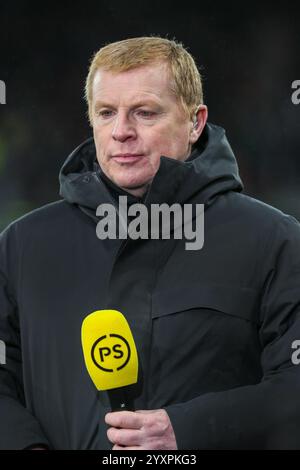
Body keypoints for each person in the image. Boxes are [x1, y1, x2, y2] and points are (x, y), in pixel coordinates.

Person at [0, 36, 300, 451]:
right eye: (106, 113)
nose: (121, 132)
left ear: (195, 122)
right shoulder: (22, 246)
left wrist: (189, 429)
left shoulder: (274, 240)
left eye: (144, 113)